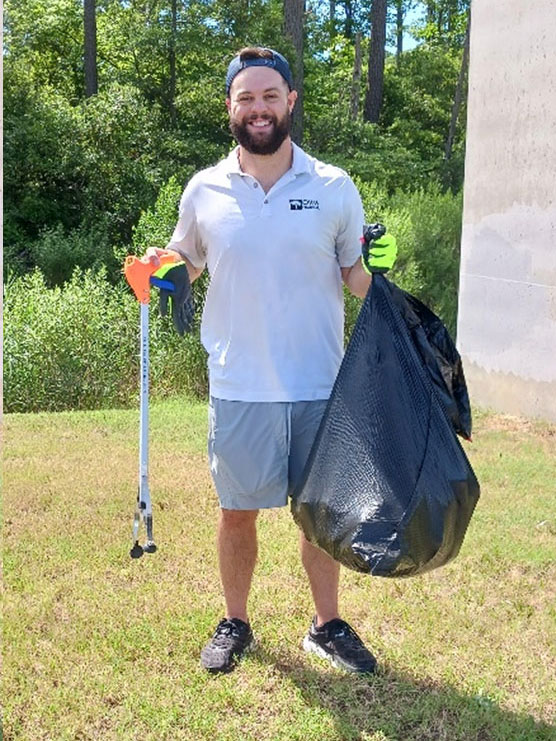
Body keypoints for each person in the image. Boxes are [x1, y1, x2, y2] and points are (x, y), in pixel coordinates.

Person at [146, 47, 397, 675]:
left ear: (290, 102)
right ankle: (236, 621)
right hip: (239, 383)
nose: (257, 108)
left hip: (319, 382)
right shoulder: (204, 188)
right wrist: (161, 272)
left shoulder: (334, 186)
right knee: (238, 512)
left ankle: (327, 625)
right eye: (245, 98)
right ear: (230, 108)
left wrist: (382, 271)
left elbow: (355, 278)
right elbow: (185, 262)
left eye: (269, 96)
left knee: (322, 514)